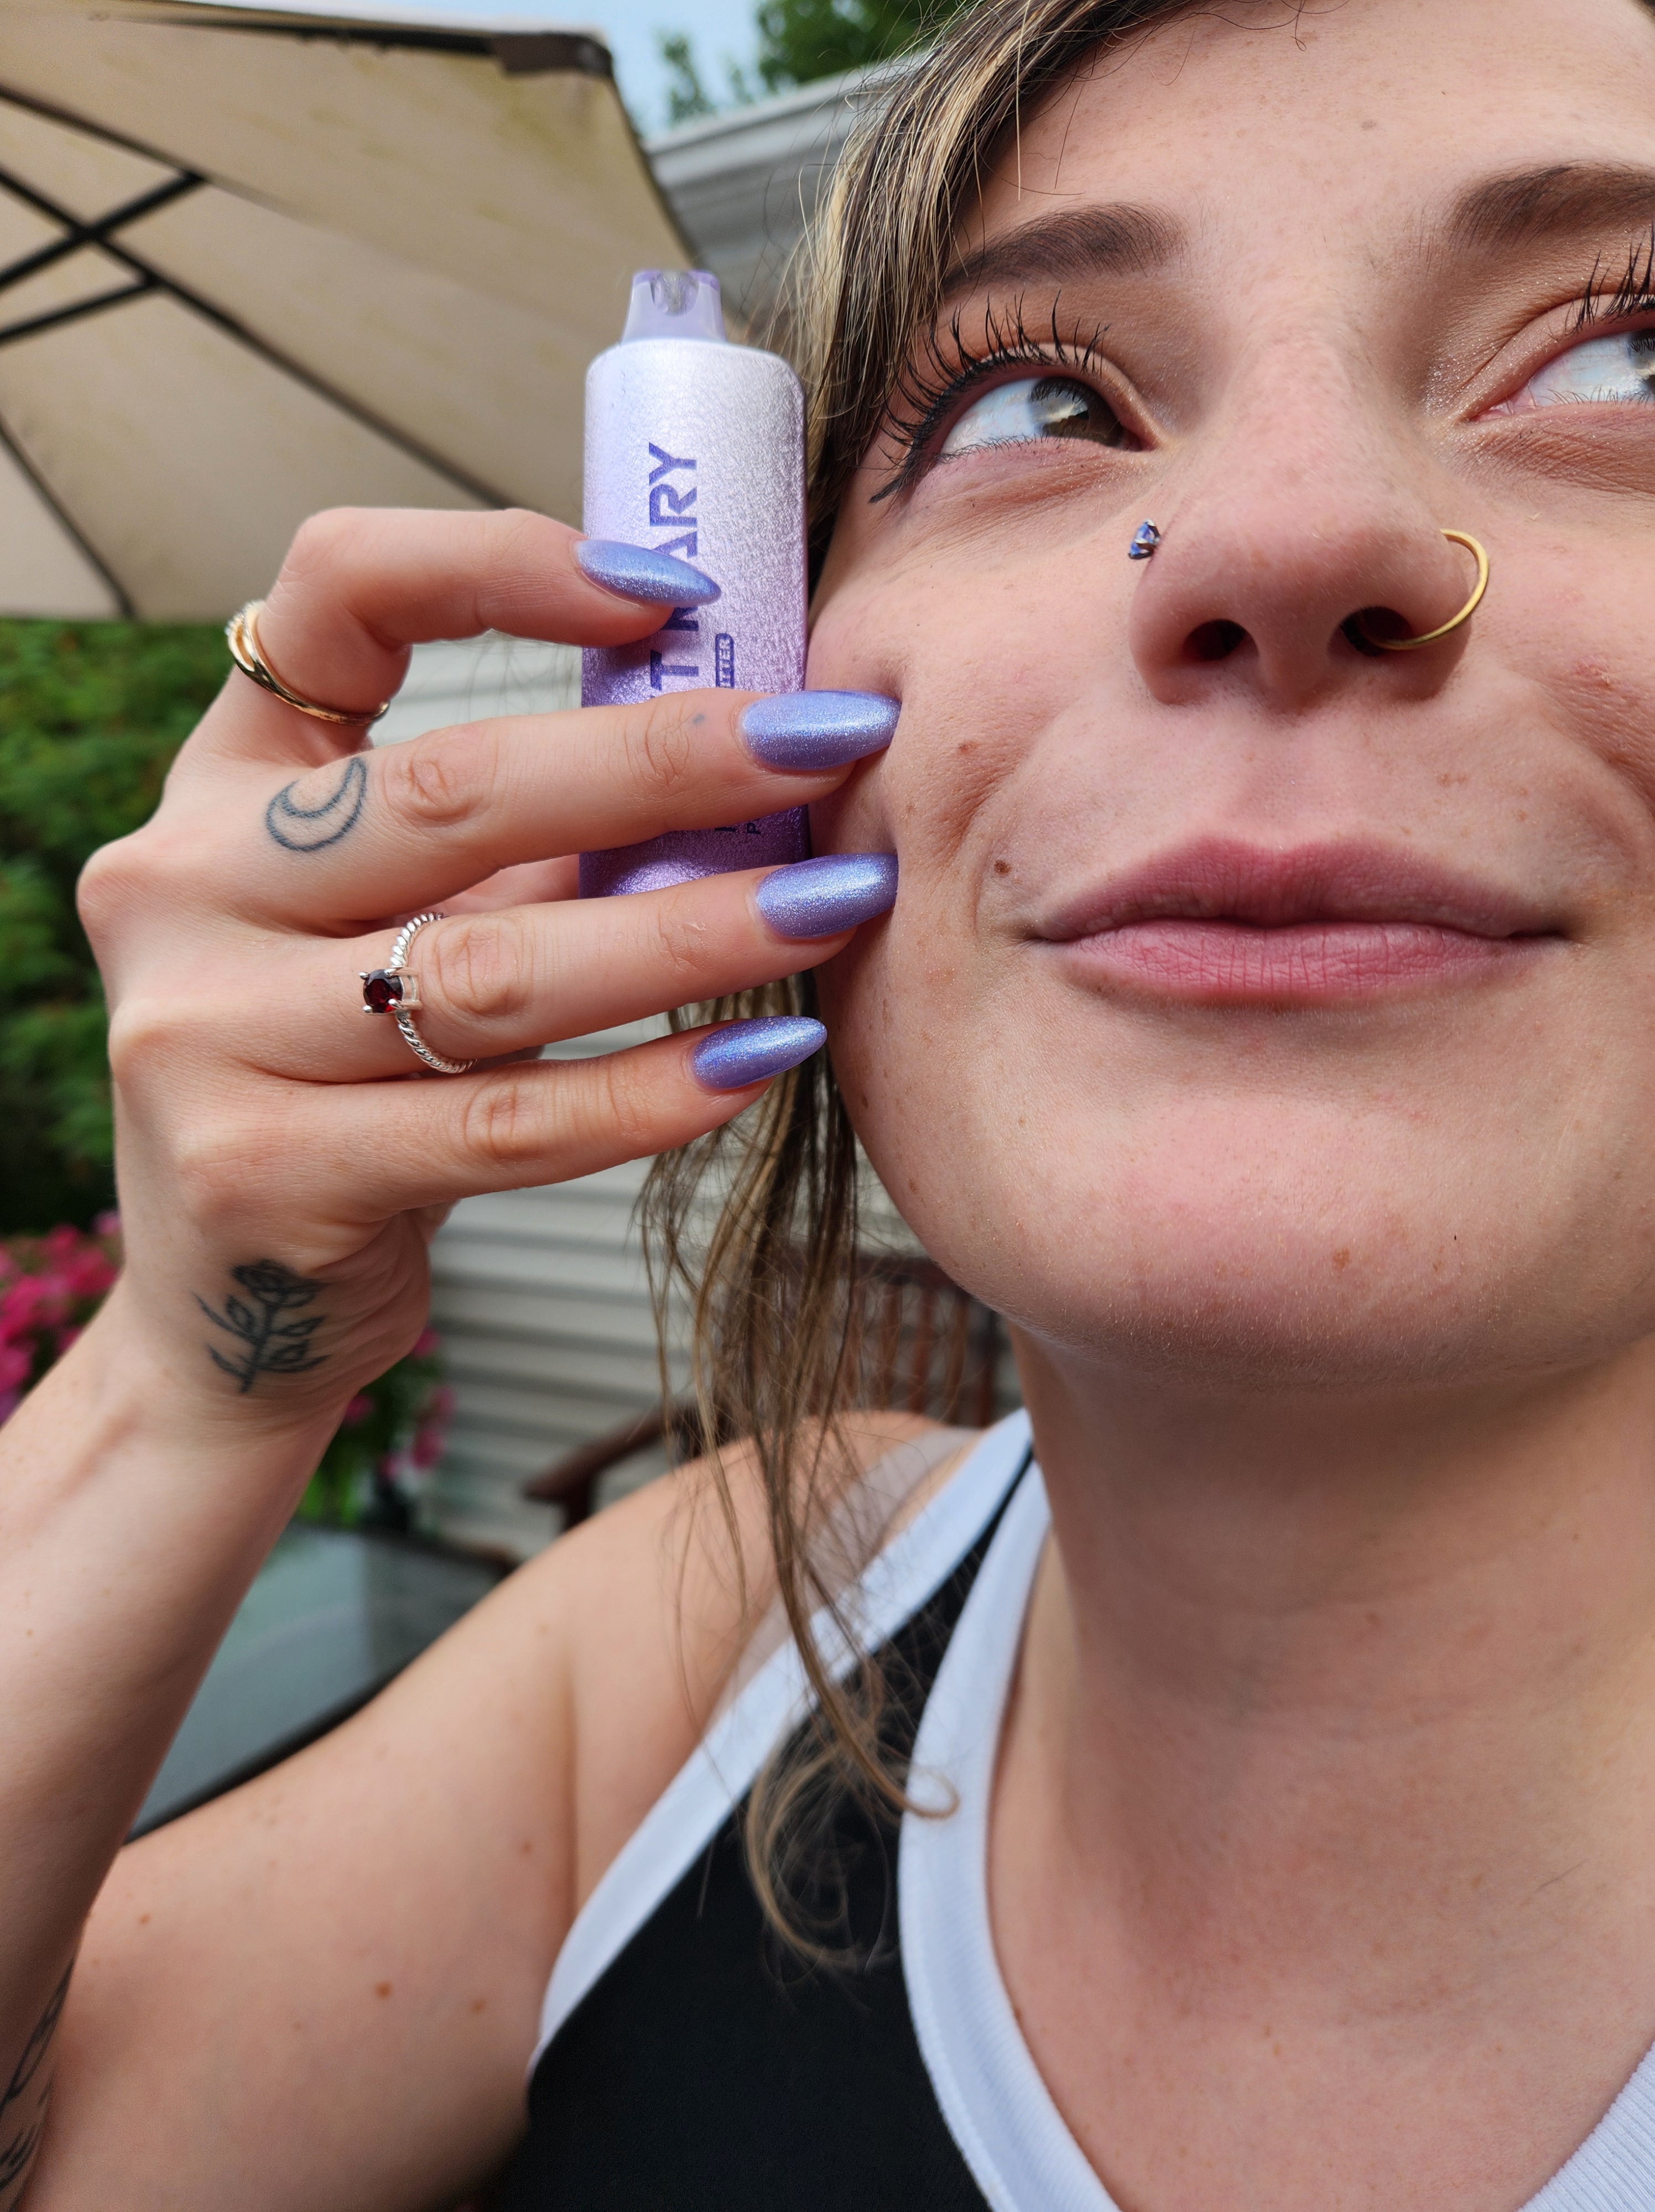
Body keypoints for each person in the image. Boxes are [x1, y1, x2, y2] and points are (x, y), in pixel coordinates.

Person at [8, 0, 1655, 2201]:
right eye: (1040, 397)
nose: (1279, 534)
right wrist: (186, 1385)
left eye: (1623, 363)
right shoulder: (680, 1666)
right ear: (788, 705)